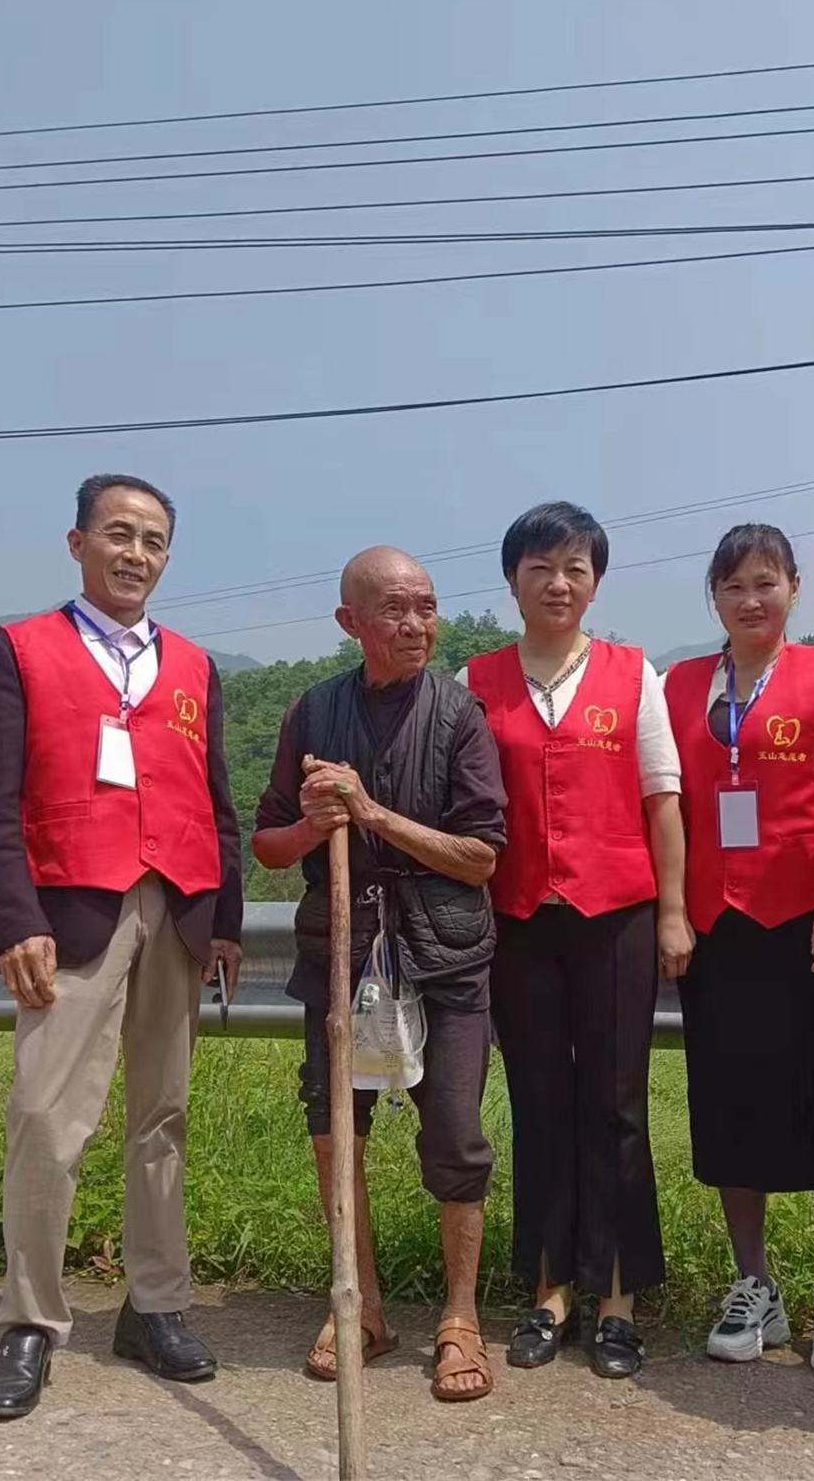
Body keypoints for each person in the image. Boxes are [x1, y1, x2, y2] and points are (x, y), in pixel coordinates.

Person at [0, 474, 244, 1420]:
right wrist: (15, 921)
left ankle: (155, 1304)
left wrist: (229, 923)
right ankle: (30, 1324)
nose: (136, 554)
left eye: (155, 541)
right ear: (77, 542)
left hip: (178, 908)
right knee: (47, 1118)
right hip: (69, 916)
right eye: (118, 534)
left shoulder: (196, 666)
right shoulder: (19, 650)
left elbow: (219, 805)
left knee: (160, 1118)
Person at [254, 546, 508, 1403]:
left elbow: (479, 858)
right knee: (337, 1131)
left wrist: (370, 814)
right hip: (342, 954)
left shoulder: (461, 716)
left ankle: (460, 1316)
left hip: (447, 956)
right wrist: (311, 824)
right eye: (395, 610)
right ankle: (356, 1303)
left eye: (426, 608)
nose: (415, 625)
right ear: (349, 623)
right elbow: (269, 843)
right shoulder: (313, 713)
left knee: (454, 1138)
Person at [461, 502, 687, 1382]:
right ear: (513, 578)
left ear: (596, 581)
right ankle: (551, 1290)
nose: (559, 583)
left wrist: (674, 913)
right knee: (540, 1104)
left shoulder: (636, 675)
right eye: (541, 567)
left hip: (618, 917)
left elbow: (662, 801)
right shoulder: (474, 681)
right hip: (519, 923)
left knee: (618, 1105)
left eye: (577, 568)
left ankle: (618, 1296)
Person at [663, 524, 814, 1374]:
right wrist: (672, 911)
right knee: (727, 1101)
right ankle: (753, 1284)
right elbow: (665, 803)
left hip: (810, 925)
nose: (750, 601)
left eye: (765, 583)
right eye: (732, 587)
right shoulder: (675, 685)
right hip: (716, 929)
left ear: (795, 586)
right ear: (712, 598)